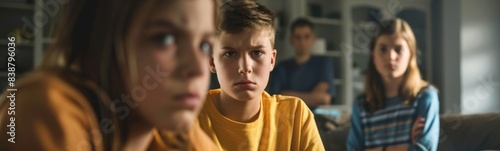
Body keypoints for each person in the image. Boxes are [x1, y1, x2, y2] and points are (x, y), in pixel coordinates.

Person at [0, 0, 220, 150]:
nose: (198, 68)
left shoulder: (176, 136)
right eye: (164, 39)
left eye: (205, 45)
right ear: (99, 41)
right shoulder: (44, 109)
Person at [197, 1, 324, 150]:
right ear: (211, 61)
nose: (245, 68)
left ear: (271, 60)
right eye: (230, 53)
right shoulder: (188, 119)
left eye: (257, 53)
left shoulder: (295, 115)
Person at [347, 18, 439, 151]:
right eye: (383, 49)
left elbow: (425, 149)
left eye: (398, 49)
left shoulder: (425, 97)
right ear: (373, 56)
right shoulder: (361, 104)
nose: (390, 56)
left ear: (410, 54)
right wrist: (406, 148)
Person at [267, 18, 335, 110]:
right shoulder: (281, 67)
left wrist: (288, 94)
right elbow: (276, 99)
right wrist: (313, 96)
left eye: (306, 37)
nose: (302, 42)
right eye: (298, 37)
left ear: (313, 39)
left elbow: (324, 98)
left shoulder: (323, 63)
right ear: (292, 40)